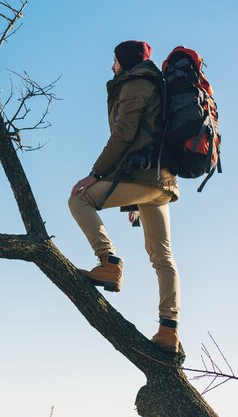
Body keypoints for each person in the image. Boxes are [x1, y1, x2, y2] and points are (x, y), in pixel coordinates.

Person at [68, 40, 181, 353]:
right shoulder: (156, 84)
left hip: (142, 176)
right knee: (163, 258)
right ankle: (168, 330)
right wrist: (135, 199)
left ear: (125, 62)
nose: (111, 67)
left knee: (80, 198)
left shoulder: (135, 85)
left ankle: (108, 261)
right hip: (161, 182)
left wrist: (96, 174)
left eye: (114, 61)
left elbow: (124, 134)